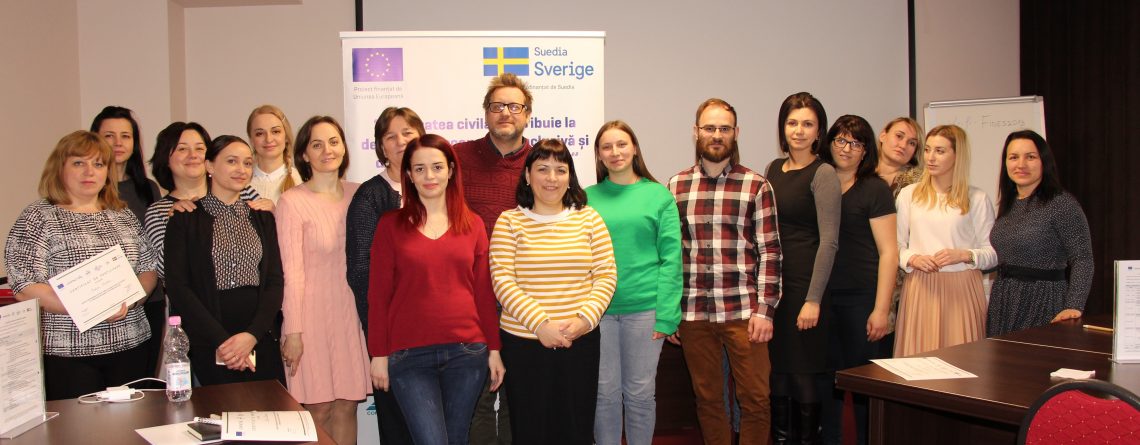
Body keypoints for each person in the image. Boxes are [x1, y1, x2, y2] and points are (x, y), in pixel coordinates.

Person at [367, 134, 505, 445]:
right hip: (408, 356)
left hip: (466, 352)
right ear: (409, 175)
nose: (429, 176)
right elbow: (378, 295)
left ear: (451, 171)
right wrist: (378, 353)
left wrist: (494, 350)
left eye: (437, 167)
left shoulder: (473, 224)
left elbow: (483, 293)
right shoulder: (390, 226)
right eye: (419, 169)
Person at [4, 131, 157, 400]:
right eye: (78, 163)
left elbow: (148, 268)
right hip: (68, 353)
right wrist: (93, 308)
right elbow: (25, 286)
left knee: (132, 423)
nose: (89, 171)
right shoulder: (38, 217)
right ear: (59, 167)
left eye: (98, 164)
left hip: (131, 344)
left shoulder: (122, 214)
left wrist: (132, 300)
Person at [668, 98, 782, 445]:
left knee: (756, 400)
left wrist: (765, 310)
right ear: (696, 132)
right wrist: (671, 311)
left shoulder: (757, 185)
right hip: (694, 314)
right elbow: (671, 256)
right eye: (709, 128)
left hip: (744, 313)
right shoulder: (676, 186)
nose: (716, 135)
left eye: (724, 128)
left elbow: (771, 251)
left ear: (736, 133)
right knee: (708, 401)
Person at [490, 139, 616, 444]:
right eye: (542, 169)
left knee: (576, 428)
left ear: (570, 177)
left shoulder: (589, 218)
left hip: (580, 340)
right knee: (531, 429)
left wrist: (584, 320)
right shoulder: (509, 222)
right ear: (527, 175)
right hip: (524, 342)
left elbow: (606, 275)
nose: (552, 178)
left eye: (561, 170)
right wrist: (540, 325)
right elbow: (503, 280)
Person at [585, 121, 682, 445]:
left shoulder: (658, 195)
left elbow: (671, 258)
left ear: (635, 148)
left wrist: (668, 315)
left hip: (645, 310)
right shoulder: (586, 198)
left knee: (640, 394)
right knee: (604, 393)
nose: (615, 152)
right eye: (607, 147)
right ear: (599, 155)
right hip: (598, 311)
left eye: (622, 144)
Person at [276, 116, 370, 445]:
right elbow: (292, 272)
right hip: (309, 318)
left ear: (344, 148)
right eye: (317, 144)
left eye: (333, 142)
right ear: (304, 154)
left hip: (351, 316)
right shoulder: (291, 202)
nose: (327, 150)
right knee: (318, 409)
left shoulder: (360, 194)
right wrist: (294, 332)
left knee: (346, 405)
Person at [163, 135, 286, 385]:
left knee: (267, 406)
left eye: (247, 163)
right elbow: (177, 286)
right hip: (209, 336)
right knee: (218, 408)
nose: (241, 169)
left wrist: (251, 335)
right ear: (210, 166)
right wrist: (222, 341)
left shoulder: (262, 217)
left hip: (258, 332)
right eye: (232, 161)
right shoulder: (185, 218)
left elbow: (274, 281)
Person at [454, 72, 534, 444]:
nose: (505, 113)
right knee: (478, 395)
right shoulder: (458, 158)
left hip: (526, 297)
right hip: (471, 295)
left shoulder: (541, 163)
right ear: (486, 112)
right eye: (497, 106)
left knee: (521, 395)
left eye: (514, 106)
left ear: (527, 114)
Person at [764, 92, 840, 444]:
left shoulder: (824, 173)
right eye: (792, 123)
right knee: (778, 374)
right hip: (775, 287)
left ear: (818, 131)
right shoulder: (772, 170)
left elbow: (829, 242)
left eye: (807, 124)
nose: (799, 130)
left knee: (803, 374)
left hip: (806, 287)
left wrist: (813, 299)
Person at [817, 115, 897, 445]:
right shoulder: (819, 183)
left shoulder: (875, 188)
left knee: (864, 386)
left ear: (865, 151)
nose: (846, 148)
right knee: (827, 384)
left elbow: (889, 253)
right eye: (840, 140)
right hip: (824, 299)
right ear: (830, 142)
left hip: (861, 300)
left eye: (856, 143)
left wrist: (881, 310)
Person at [346, 107, 425, 445]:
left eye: (407, 133)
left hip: (437, 331)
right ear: (381, 147)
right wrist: (382, 330)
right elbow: (360, 270)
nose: (400, 141)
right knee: (398, 423)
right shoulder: (371, 195)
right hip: (392, 332)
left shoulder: (439, 189)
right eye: (390, 136)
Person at [895, 125, 997, 357]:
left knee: (962, 361)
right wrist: (913, 258)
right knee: (919, 362)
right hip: (920, 287)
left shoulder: (977, 198)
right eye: (927, 149)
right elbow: (896, 247)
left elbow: (993, 252)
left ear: (957, 155)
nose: (930, 157)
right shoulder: (909, 195)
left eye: (939, 151)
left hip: (962, 289)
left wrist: (964, 255)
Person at [987, 130, 1093, 336]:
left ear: (1044, 161)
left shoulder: (1061, 203)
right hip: (1004, 300)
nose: (1021, 164)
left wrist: (1074, 305)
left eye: (1030, 157)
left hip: (1043, 300)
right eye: (1013, 157)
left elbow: (1083, 258)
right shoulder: (1009, 204)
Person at [90, 105, 164, 374]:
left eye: (126, 136)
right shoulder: (88, 189)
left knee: (141, 382)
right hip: (99, 300)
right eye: (109, 136)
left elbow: (153, 244)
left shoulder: (148, 188)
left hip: (147, 298)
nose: (118, 143)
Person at [144, 122, 266, 278]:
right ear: (165, 158)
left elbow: (270, 252)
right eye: (182, 149)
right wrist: (175, 224)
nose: (193, 155)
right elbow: (165, 270)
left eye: (200, 149)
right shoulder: (158, 212)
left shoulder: (244, 193)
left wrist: (275, 213)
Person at [874, 117, 924, 358]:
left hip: (903, 281)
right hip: (859, 272)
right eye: (899, 136)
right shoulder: (857, 174)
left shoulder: (922, 184)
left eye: (912, 142)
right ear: (883, 135)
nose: (903, 145)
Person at [247, 105, 302, 203]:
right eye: (260, 133)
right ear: (251, 140)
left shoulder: (301, 182)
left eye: (275, 131)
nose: (268, 139)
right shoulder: (240, 181)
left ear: (286, 136)